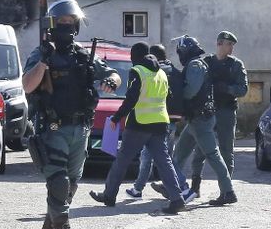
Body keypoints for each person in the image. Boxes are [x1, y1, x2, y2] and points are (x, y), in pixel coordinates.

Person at [22, 0, 121, 229]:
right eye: (62, 24)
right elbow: (27, 86)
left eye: (71, 23)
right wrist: (43, 62)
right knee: (58, 183)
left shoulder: (82, 54)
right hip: (53, 128)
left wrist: (112, 79)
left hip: (81, 129)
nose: (67, 28)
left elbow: (112, 73)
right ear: (53, 26)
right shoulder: (41, 53)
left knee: (71, 185)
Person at [89, 42, 186, 214]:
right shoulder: (161, 73)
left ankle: (109, 195)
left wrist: (117, 118)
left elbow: (131, 99)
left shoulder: (137, 71)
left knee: (122, 160)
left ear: (134, 56)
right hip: (160, 123)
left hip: (139, 124)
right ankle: (177, 198)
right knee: (164, 162)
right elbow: (168, 97)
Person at [151, 35, 237, 206]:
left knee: (213, 155)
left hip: (201, 119)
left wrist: (176, 99)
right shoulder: (195, 64)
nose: (179, 55)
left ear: (186, 51)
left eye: (180, 51)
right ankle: (172, 186)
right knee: (179, 153)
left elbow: (191, 90)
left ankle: (228, 192)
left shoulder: (195, 65)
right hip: (195, 119)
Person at [188, 31, 248, 197]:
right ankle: (195, 187)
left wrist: (228, 89)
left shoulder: (236, 65)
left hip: (226, 111)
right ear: (220, 44)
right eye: (229, 45)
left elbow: (243, 89)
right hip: (207, 111)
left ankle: (225, 190)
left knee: (226, 150)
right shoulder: (207, 62)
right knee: (200, 149)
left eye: (232, 45)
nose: (232, 48)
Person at [125, 44, 182, 198]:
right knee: (165, 157)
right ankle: (170, 188)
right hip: (174, 120)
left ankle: (140, 189)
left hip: (157, 120)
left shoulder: (156, 71)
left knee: (149, 156)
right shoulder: (175, 71)